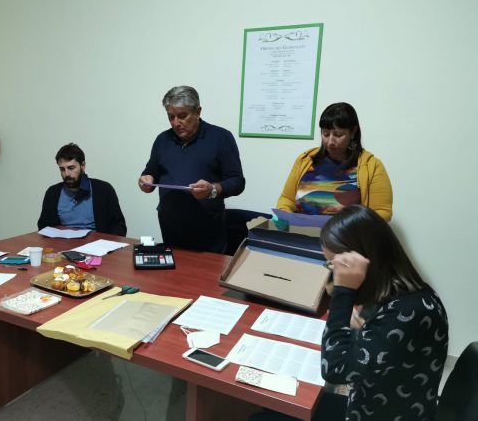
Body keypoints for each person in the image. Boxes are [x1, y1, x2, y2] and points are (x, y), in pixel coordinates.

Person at [251, 205, 449, 421]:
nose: (333, 274)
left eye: (335, 267)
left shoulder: (408, 312)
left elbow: (334, 369)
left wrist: (343, 293)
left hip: (376, 413)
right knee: (274, 409)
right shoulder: (406, 292)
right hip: (373, 402)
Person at [138, 86, 245, 253]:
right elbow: (152, 172)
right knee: (173, 268)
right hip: (170, 226)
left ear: (198, 112)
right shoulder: (162, 140)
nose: (175, 123)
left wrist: (212, 190)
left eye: (182, 116)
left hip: (208, 229)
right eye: (171, 117)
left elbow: (237, 182)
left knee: (206, 269)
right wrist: (147, 180)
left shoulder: (221, 138)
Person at [275, 102, 392, 230]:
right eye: (325, 134)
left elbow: (383, 212)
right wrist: (283, 213)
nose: (330, 141)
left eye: (338, 134)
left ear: (353, 132)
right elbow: (287, 198)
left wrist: (355, 226)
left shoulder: (371, 166)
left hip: (346, 238)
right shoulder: (305, 160)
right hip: (301, 235)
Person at [38, 143, 127, 236]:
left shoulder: (104, 190)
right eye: (62, 169)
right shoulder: (52, 193)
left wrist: (105, 243)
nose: (66, 174)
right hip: (63, 243)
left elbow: (119, 227)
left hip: (96, 243)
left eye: (71, 168)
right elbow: (43, 227)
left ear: (83, 166)